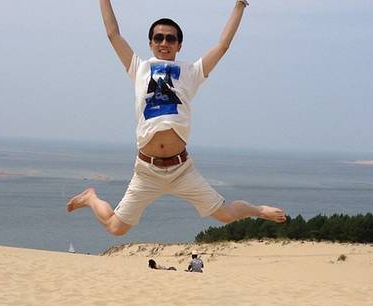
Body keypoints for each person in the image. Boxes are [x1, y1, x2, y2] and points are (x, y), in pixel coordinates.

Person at [67, 0, 287, 235]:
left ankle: (258, 210)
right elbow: (113, 34)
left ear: (179, 45)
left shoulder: (191, 72)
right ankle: (90, 198)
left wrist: (240, 5)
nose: (164, 43)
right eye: (158, 38)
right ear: (150, 43)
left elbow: (222, 45)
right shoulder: (139, 67)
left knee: (225, 214)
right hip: (147, 170)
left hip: (182, 169)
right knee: (116, 228)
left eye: (170, 39)